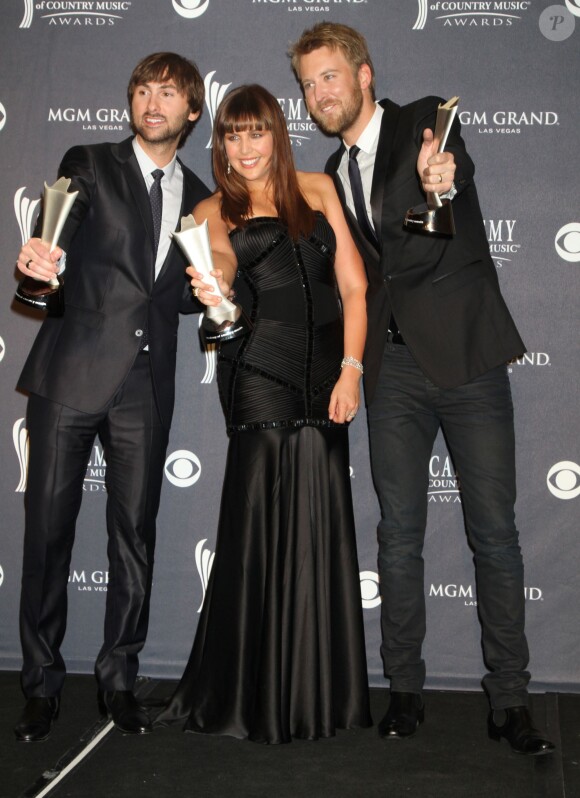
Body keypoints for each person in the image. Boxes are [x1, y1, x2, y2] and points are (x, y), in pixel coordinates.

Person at [289, 22, 554, 756]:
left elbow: (450, 168)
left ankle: (510, 700)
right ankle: (403, 688)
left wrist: (445, 175)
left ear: (365, 75)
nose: (319, 94)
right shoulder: (328, 174)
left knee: (494, 537)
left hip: (466, 357)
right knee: (397, 537)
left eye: (331, 76)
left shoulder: (425, 121)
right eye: (309, 84)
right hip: (393, 369)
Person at [156, 84, 371, 743]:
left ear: (279, 133)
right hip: (259, 374)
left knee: (319, 522)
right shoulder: (211, 208)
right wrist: (212, 283)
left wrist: (352, 370)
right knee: (256, 530)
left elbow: (356, 287)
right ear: (219, 143)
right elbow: (218, 266)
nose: (244, 147)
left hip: (326, 377)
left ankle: (316, 695)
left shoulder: (320, 189)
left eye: (256, 132)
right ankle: (247, 696)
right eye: (232, 135)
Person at [13, 52, 210, 742]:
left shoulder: (202, 195)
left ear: (192, 111)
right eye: (142, 89)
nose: (152, 101)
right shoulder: (91, 163)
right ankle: (40, 685)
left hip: (146, 387)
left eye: (168, 93)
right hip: (71, 374)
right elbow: (52, 246)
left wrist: (217, 298)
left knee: (134, 539)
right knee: (47, 534)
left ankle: (119, 678)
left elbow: (186, 292)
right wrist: (37, 271)